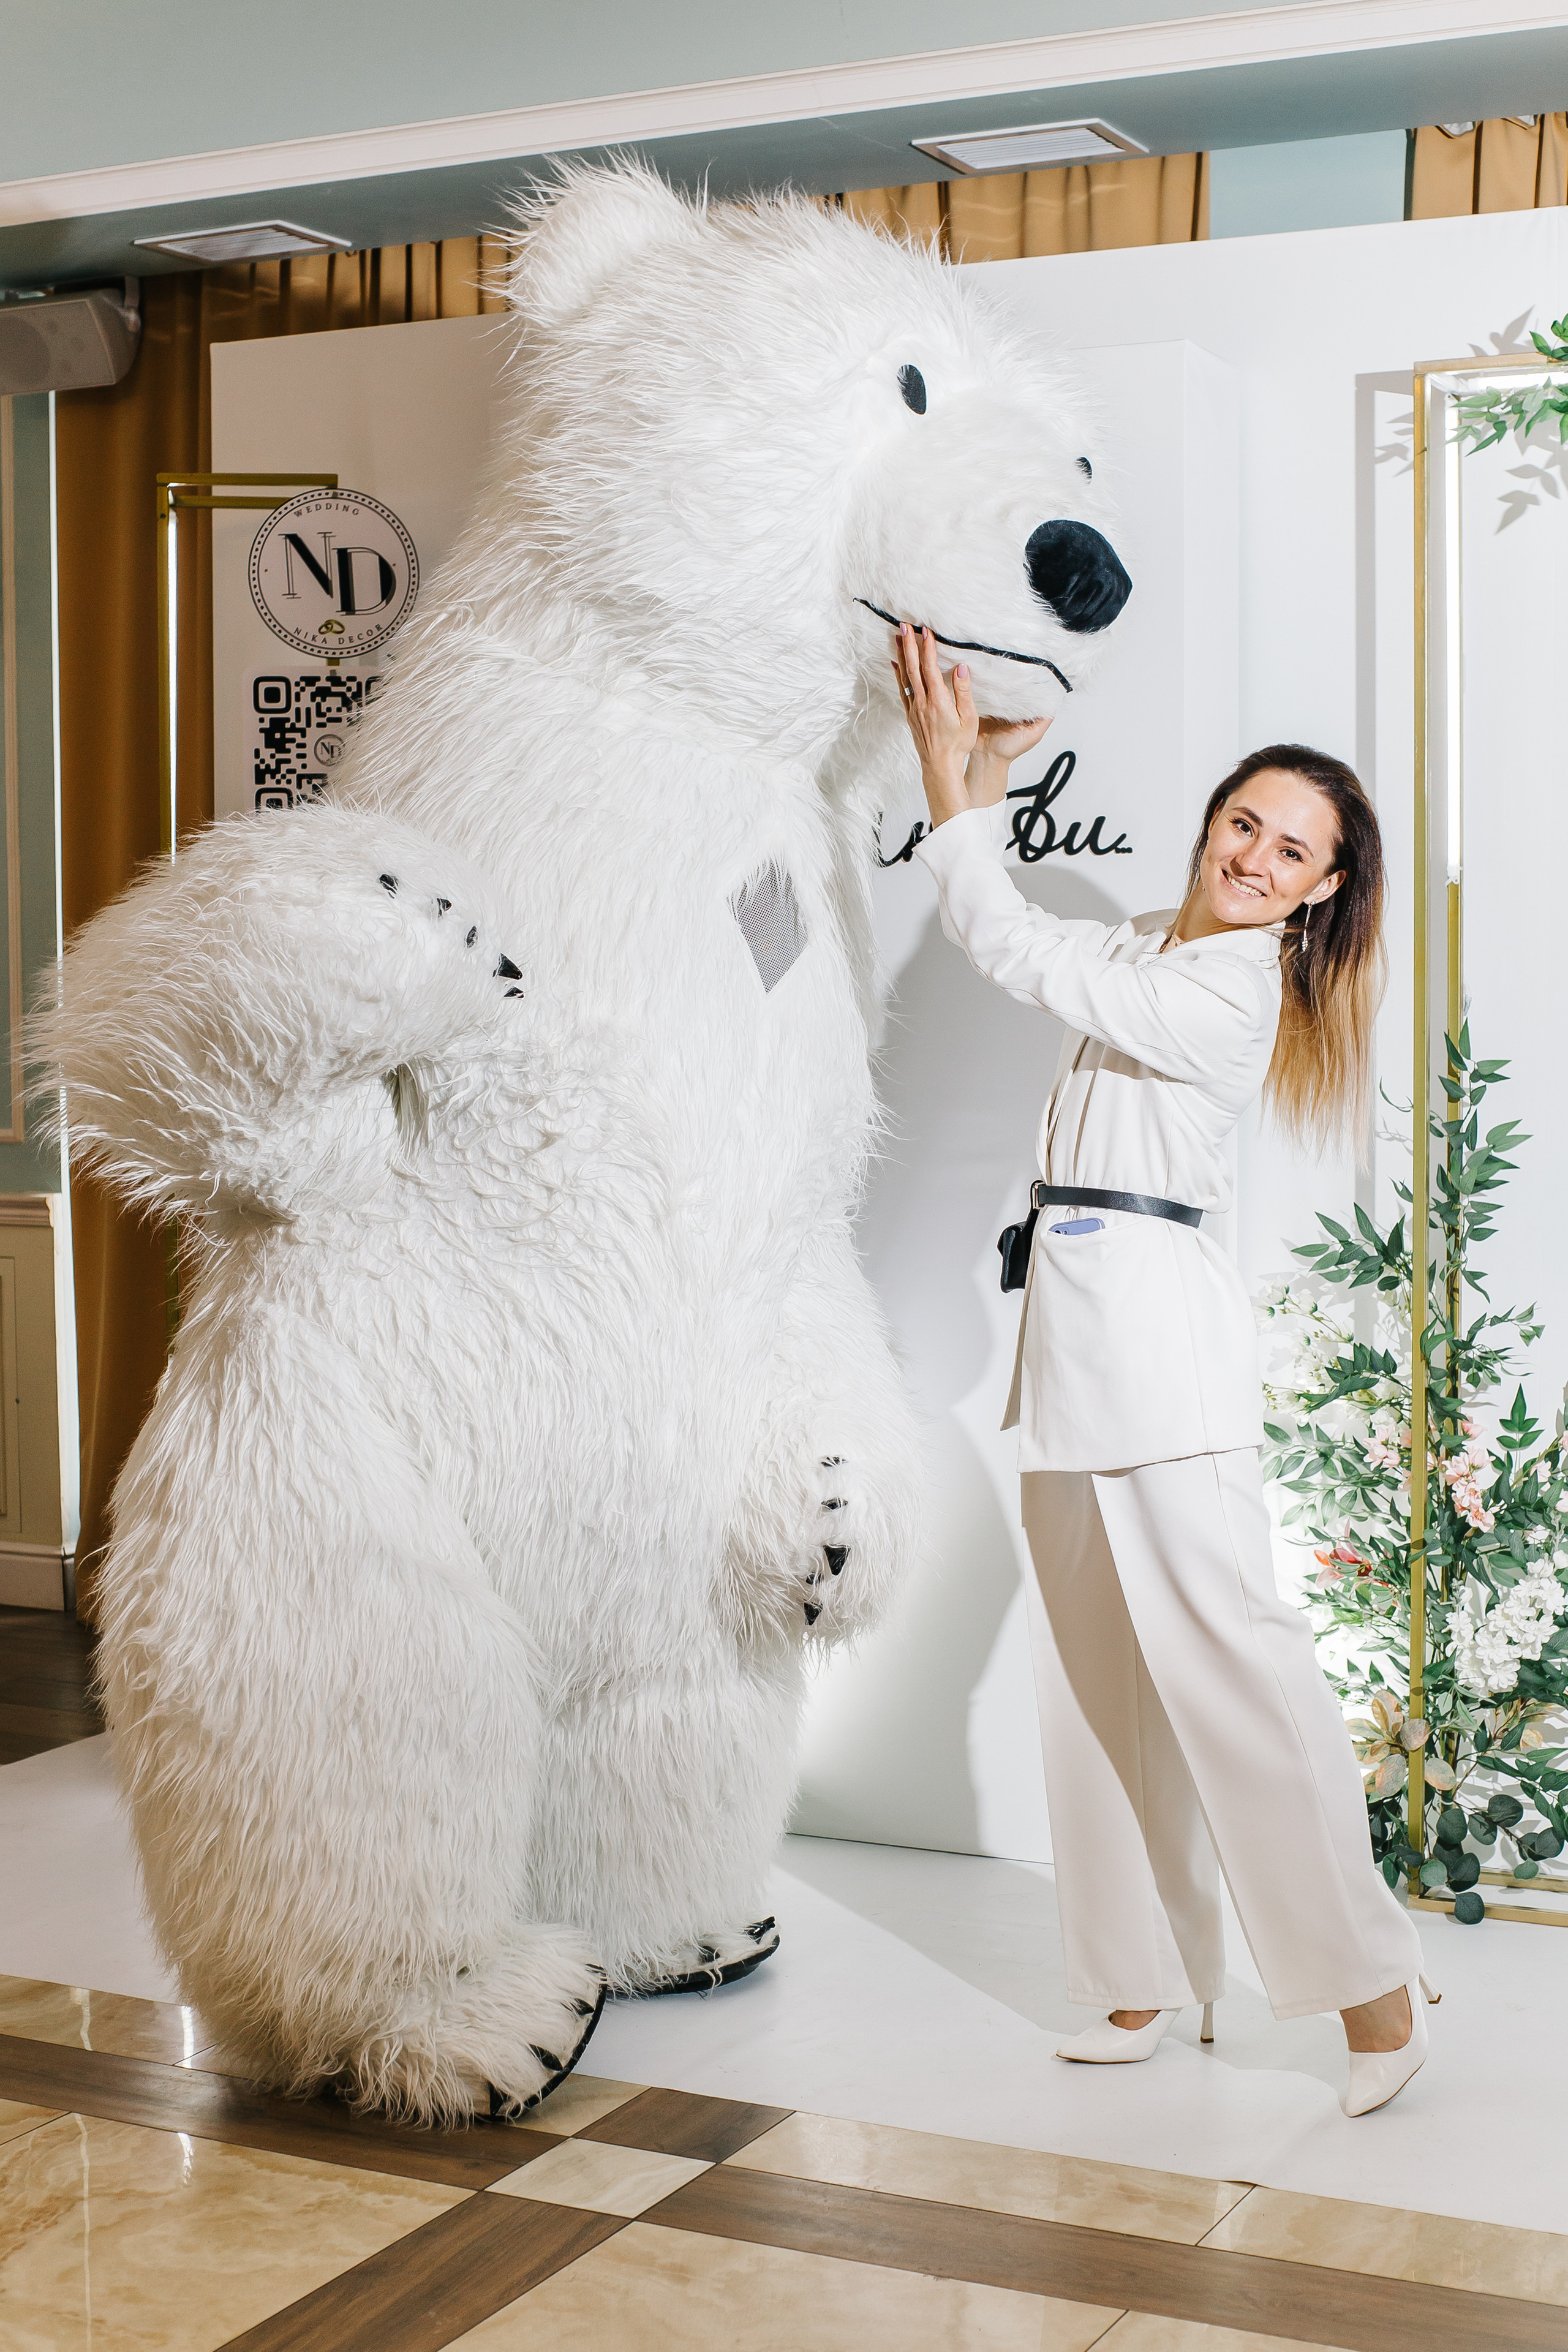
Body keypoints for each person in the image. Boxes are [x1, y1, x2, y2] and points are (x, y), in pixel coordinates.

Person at [892, 622, 1436, 2119]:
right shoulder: (1149, 940)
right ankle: (1142, 1971)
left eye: (1291, 851)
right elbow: (1019, 935)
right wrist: (984, 779)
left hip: (1157, 1353)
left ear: (1321, 891)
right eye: (1243, 823)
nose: (1254, 857)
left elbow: (1001, 941)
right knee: (1089, 1668)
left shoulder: (1227, 991)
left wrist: (948, 784)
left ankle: (1372, 1988)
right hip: (1067, 1338)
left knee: (1236, 1666)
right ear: (1212, 825)